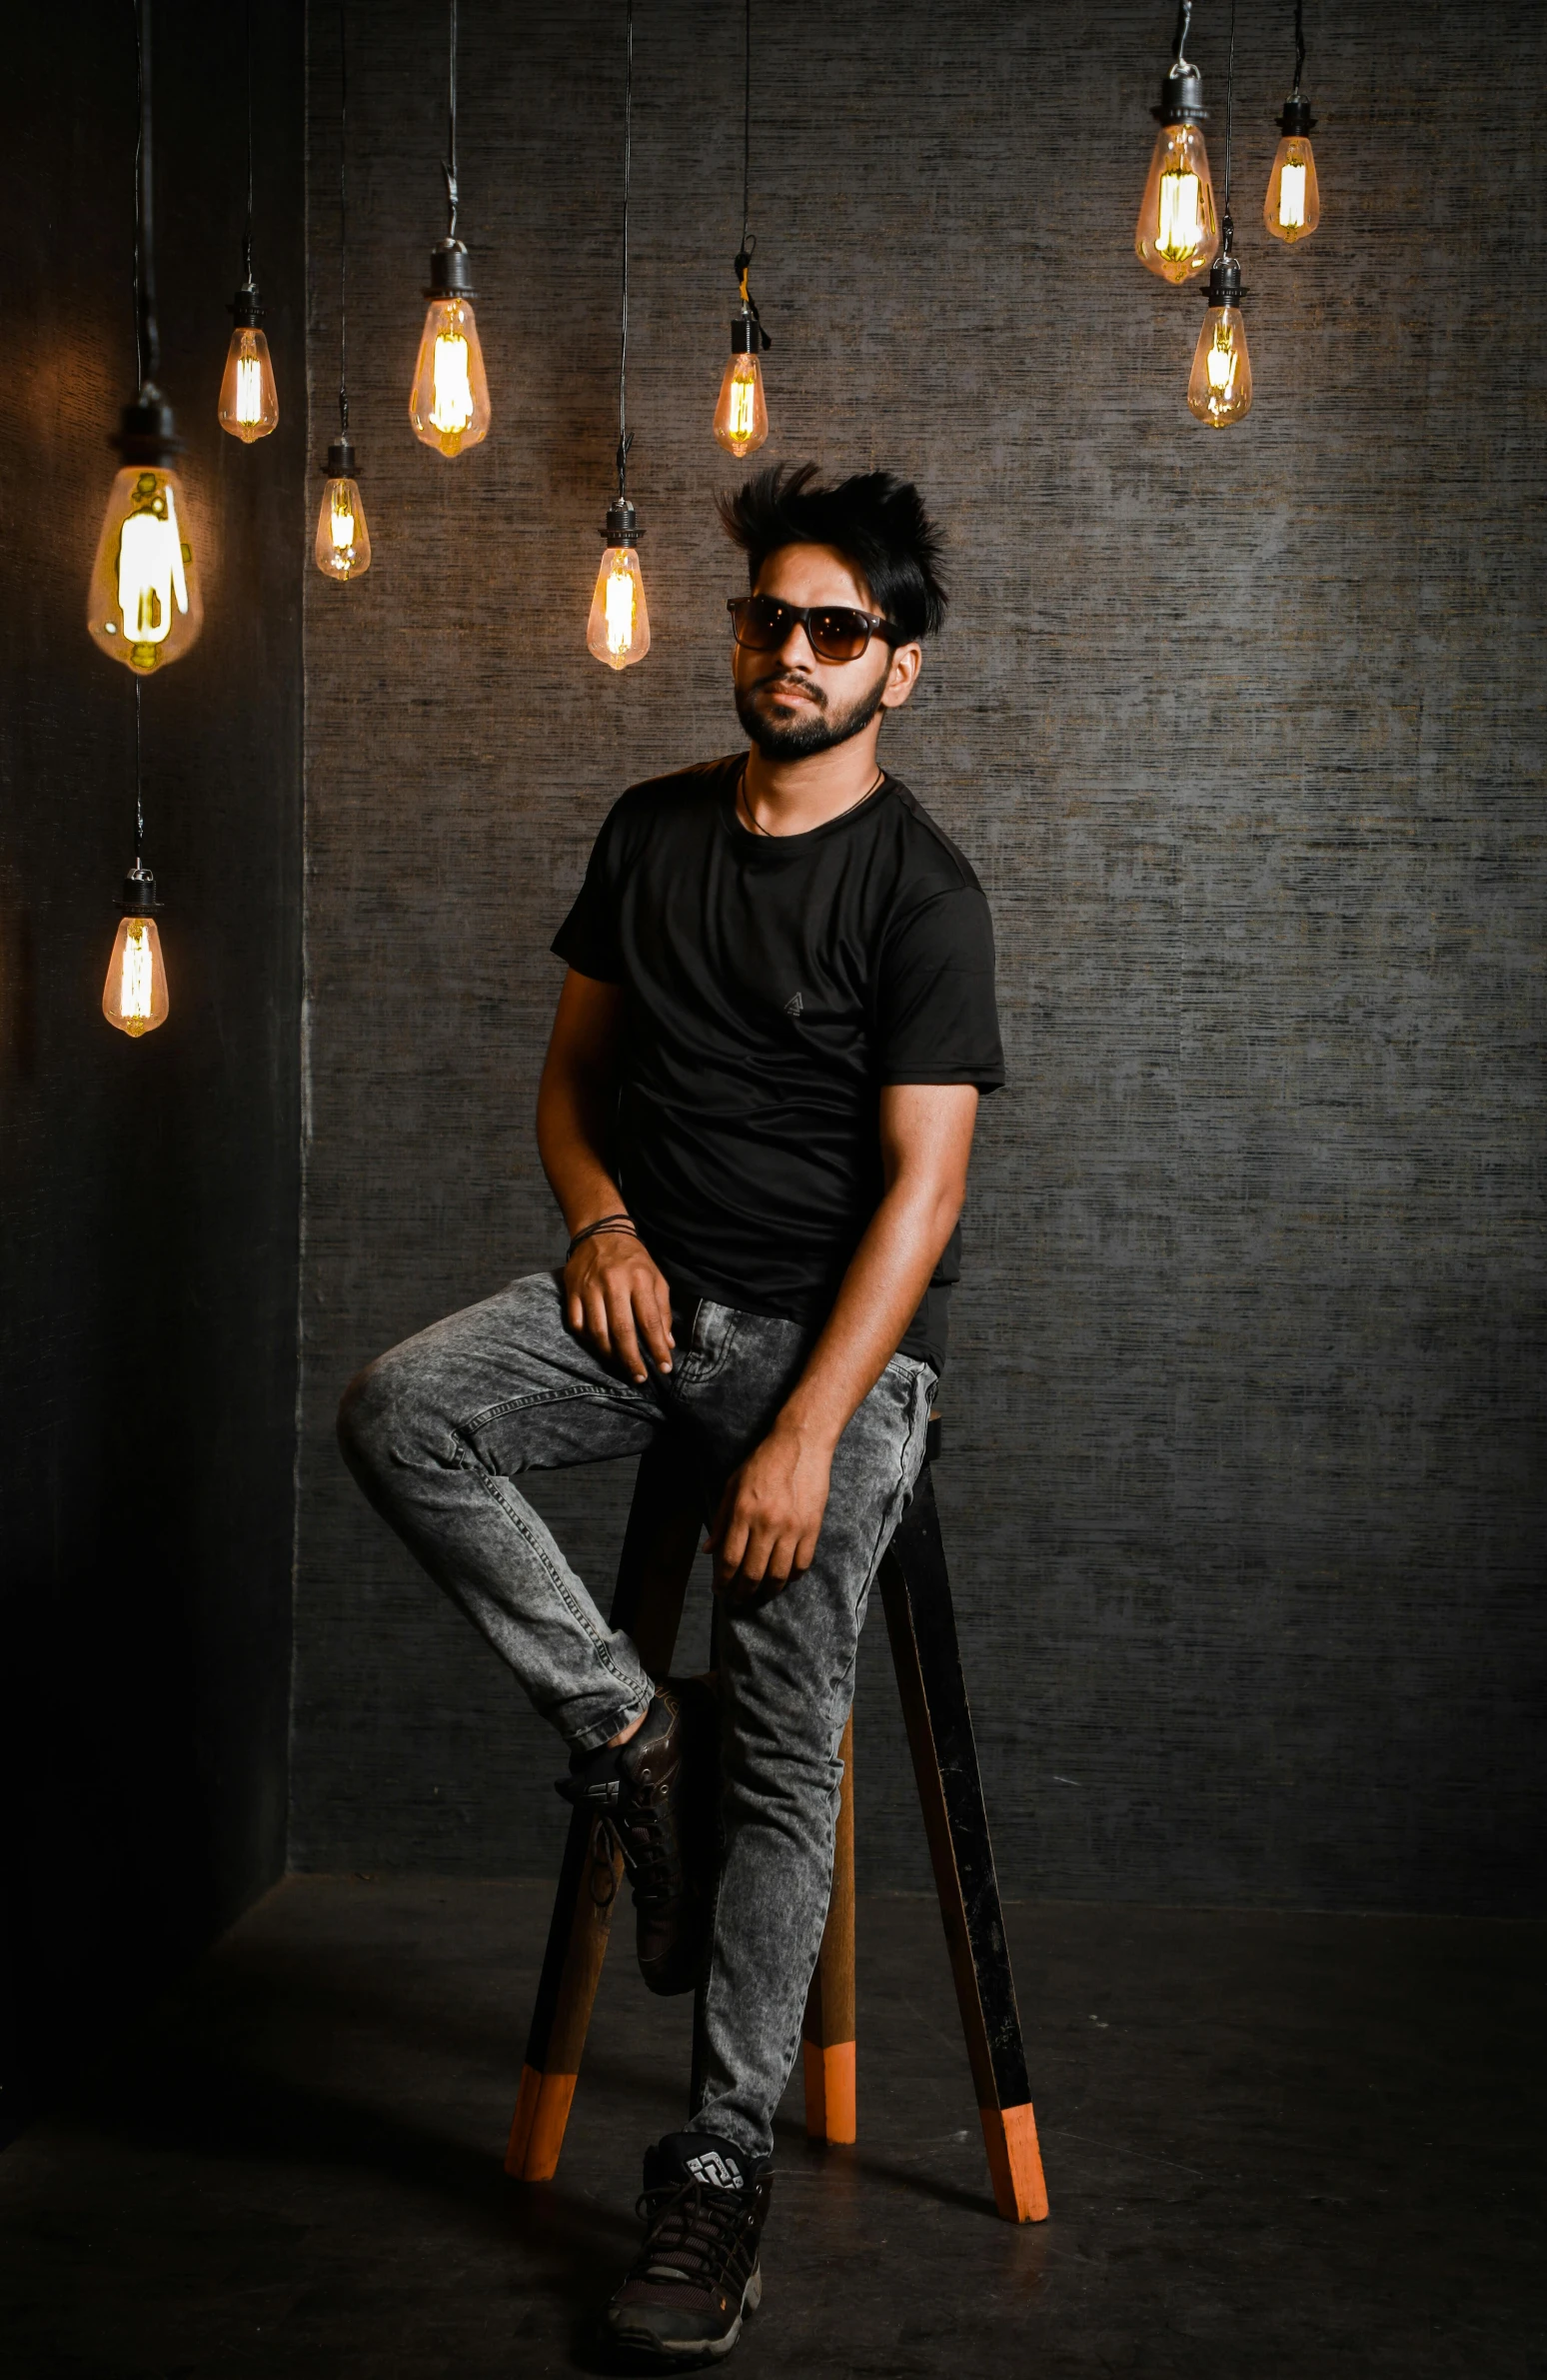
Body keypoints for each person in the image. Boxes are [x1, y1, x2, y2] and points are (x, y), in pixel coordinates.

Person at [338, 463, 1004, 2363]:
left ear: (902, 669)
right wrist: (601, 1219)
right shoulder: (647, 834)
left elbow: (927, 1198)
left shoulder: (923, 893)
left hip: (837, 1359)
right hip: (645, 1302)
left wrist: (805, 1430)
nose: (790, 653)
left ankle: (716, 2172)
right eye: (767, 620)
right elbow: (569, 1093)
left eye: (836, 631)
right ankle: (633, 1735)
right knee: (401, 1412)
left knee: (792, 1737)